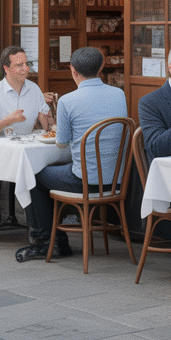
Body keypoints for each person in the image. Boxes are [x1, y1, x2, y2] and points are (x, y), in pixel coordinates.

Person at [16, 47, 127, 262]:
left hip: (84, 180)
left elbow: (61, 143)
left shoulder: (68, 100)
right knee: (55, 172)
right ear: (102, 68)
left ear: (72, 70)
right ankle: (59, 235)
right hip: (116, 180)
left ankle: (48, 242)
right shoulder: (119, 94)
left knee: (33, 177)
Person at [0, 46, 53, 227]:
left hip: (25, 148)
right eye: (19, 65)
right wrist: (7, 120)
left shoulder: (34, 90)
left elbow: (46, 126)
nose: (26, 69)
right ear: (6, 69)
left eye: (27, 64)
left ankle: (38, 222)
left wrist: (46, 119)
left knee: (44, 163)